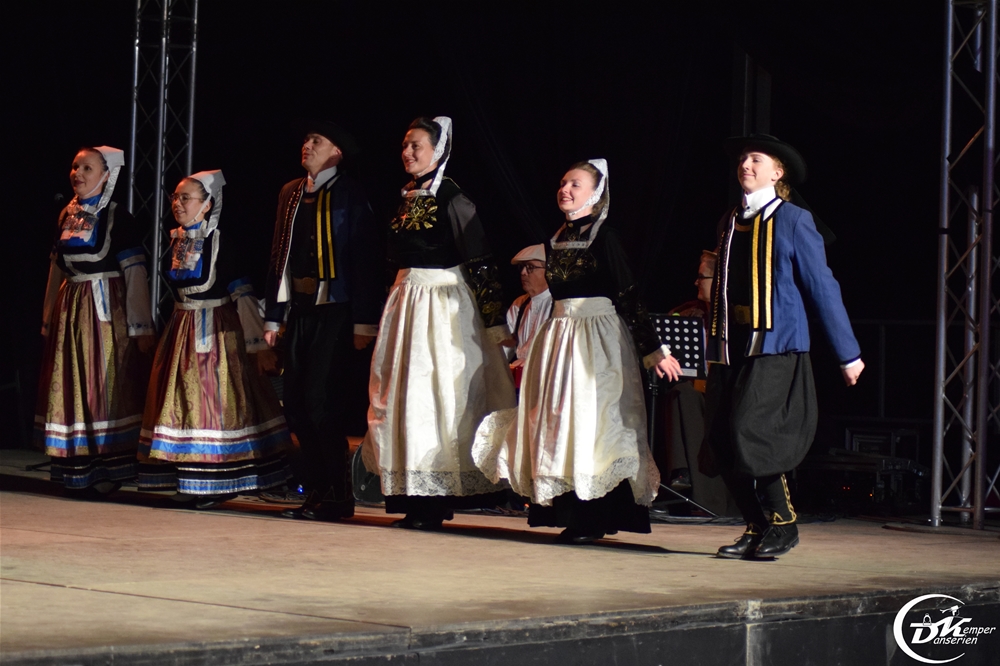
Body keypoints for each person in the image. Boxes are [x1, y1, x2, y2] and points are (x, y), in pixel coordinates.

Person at [476, 159, 682, 544]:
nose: (565, 189)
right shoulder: (554, 239)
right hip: (558, 337)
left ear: (596, 193)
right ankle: (569, 511)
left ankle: (594, 515)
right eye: (563, 183)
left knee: (593, 422)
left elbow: (628, 295)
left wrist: (654, 350)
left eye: (575, 184)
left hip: (596, 338)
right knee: (558, 423)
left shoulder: (607, 238)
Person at [705, 134, 863, 560]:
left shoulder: (794, 220)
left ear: (777, 173)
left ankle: (783, 523)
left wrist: (847, 353)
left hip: (776, 346)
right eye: (743, 159)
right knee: (722, 437)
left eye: (756, 159)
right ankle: (756, 525)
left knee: (751, 432)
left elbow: (822, 287)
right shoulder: (729, 221)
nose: (746, 164)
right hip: (731, 344)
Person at [362, 116, 516, 530]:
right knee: (401, 398)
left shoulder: (453, 197)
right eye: (405, 145)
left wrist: (493, 322)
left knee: (433, 397)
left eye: (416, 145)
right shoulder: (405, 197)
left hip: (442, 307)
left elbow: (480, 261)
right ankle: (413, 497)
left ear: (439, 149)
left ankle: (434, 500)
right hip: (407, 302)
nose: (407, 152)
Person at [136, 170, 292, 507]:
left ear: (207, 205)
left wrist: (258, 346)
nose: (177, 204)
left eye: (186, 198)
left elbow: (243, 295)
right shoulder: (177, 239)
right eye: (175, 197)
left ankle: (214, 480)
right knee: (181, 401)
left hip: (215, 330)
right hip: (181, 326)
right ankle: (188, 477)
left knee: (211, 401)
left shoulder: (221, 242)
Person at [263, 121, 383, 522]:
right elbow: (278, 255)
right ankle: (316, 490)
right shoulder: (291, 192)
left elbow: (364, 258)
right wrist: (274, 316)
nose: (307, 145)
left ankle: (336, 494)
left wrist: (364, 321)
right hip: (300, 308)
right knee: (296, 403)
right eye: (306, 140)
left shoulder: (349, 193)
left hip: (336, 309)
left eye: (317, 140)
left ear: (337, 152)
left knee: (320, 401)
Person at [35, 146, 155, 494]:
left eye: (87, 167)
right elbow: (56, 270)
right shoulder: (66, 214)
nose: (78, 173)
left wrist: (140, 325)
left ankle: (107, 469)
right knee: (71, 385)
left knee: (101, 386)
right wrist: (48, 317)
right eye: (76, 166)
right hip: (71, 307)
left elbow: (135, 274)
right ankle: (75, 468)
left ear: (106, 175)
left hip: (104, 311)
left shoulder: (118, 217)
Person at [504, 244, 552, 391]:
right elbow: (505, 347)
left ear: (548, 270)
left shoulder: (558, 305)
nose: (523, 273)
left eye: (530, 267)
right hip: (521, 380)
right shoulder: (519, 304)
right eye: (522, 267)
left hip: (547, 379)